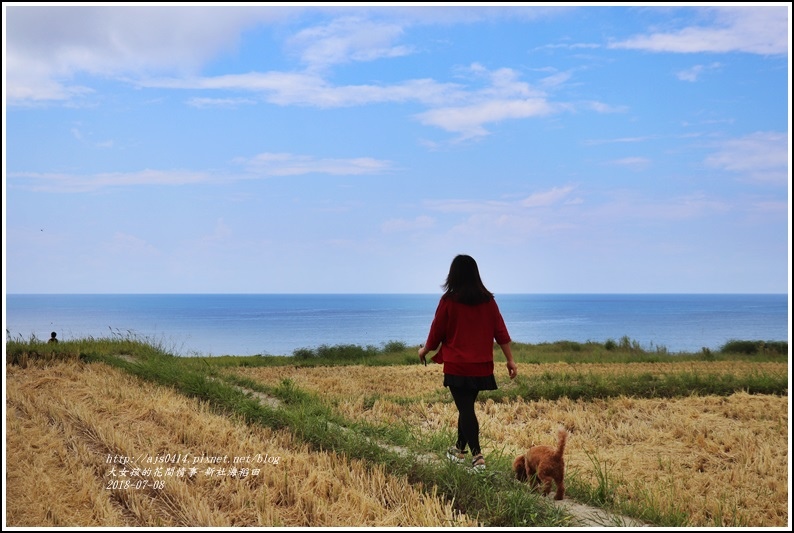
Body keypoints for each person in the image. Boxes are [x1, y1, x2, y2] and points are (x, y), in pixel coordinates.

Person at [418, 254, 517, 471]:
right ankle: (459, 450)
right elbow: (500, 331)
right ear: (475, 274)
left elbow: (436, 332)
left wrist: (424, 350)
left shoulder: (448, 301)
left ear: (453, 275)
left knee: (465, 409)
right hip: (481, 366)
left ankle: (477, 455)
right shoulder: (488, 301)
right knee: (466, 408)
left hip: (457, 365)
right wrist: (510, 360)